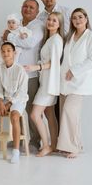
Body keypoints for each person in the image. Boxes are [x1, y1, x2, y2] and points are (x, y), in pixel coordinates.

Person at [57, 8, 92, 158]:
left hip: (80, 81)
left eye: (80, 17)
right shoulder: (70, 36)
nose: (77, 20)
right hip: (65, 82)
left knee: (70, 112)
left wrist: (74, 71)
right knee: (69, 114)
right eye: (74, 18)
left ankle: (72, 147)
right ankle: (77, 144)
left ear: (86, 19)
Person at [2, 0, 44, 150]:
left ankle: (34, 141)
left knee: (32, 109)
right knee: (15, 108)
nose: (27, 9)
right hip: (13, 74)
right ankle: (17, 140)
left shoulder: (39, 25)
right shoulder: (16, 23)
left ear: (37, 11)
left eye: (31, 7)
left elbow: (29, 43)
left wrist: (9, 36)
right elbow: (7, 45)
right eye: (25, 6)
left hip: (29, 74)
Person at [24, 12, 64, 157]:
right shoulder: (50, 39)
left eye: (55, 20)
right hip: (45, 82)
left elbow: (55, 63)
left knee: (35, 114)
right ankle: (54, 145)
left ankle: (46, 145)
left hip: (49, 84)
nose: (51, 22)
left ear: (59, 24)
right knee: (49, 114)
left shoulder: (56, 40)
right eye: (49, 19)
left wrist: (36, 67)